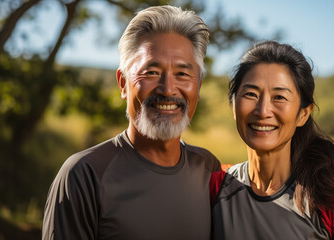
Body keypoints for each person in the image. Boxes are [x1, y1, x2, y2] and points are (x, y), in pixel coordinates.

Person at [42, 5, 221, 240]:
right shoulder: (85, 174)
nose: (168, 89)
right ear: (123, 83)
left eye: (182, 74)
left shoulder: (209, 169)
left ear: (198, 84)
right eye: (151, 72)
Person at [210, 41, 334, 240]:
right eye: (251, 94)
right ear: (234, 106)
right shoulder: (214, 187)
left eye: (279, 97)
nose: (263, 111)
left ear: (303, 114)